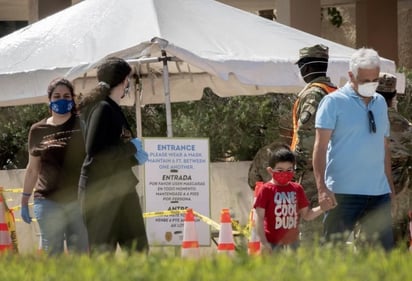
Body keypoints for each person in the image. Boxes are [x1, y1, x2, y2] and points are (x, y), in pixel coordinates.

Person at [313, 48, 396, 251]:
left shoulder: (380, 104)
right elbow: (320, 147)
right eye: (365, 80)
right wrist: (322, 188)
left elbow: (383, 147)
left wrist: (390, 188)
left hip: (379, 195)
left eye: (374, 79)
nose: (371, 85)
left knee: (383, 258)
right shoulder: (333, 102)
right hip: (341, 194)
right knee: (331, 255)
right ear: (351, 75)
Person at [77, 57, 149, 254]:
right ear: (123, 80)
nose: (129, 84)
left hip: (120, 187)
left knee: (138, 251)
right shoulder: (102, 108)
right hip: (100, 192)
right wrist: (131, 149)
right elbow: (95, 150)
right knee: (103, 256)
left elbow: (112, 149)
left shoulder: (112, 108)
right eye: (128, 80)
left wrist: (134, 158)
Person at [20, 78, 89, 255]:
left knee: (79, 256)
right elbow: (32, 169)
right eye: (57, 96)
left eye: (66, 96)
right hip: (47, 201)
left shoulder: (83, 125)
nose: (62, 100)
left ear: (73, 99)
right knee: (53, 256)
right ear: (49, 100)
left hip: (78, 201)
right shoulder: (37, 130)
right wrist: (24, 200)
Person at [254, 145, 334, 253]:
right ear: (270, 170)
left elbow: (307, 215)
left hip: (293, 244)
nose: (284, 173)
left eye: (289, 170)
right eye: (280, 170)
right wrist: (263, 242)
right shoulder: (266, 190)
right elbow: (258, 219)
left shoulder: (297, 189)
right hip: (272, 243)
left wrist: (323, 208)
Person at [376, 72, 412, 246]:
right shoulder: (406, 127)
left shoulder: (362, 122)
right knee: (397, 252)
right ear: (394, 95)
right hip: (399, 199)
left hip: (368, 198)